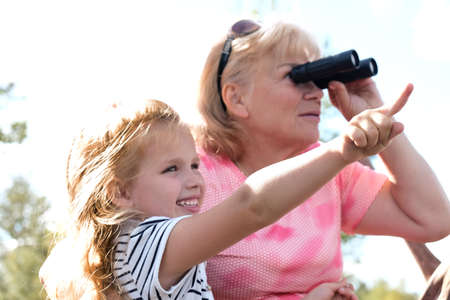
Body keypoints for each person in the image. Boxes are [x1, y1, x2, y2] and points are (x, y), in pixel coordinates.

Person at [39, 94, 408, 300]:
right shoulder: (145, 244)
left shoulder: (129, 256)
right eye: (172, 169)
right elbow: (252, 206)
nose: (194, 180)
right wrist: (342, 150)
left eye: (195, 165)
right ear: (119, 192)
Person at [195, 19, 450, 299]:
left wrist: (377, 117)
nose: (317, 93)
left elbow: (434, 219)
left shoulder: (329, 171)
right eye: (297, 77)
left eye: (317, 79)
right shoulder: (189, 172)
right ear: (237, 97)